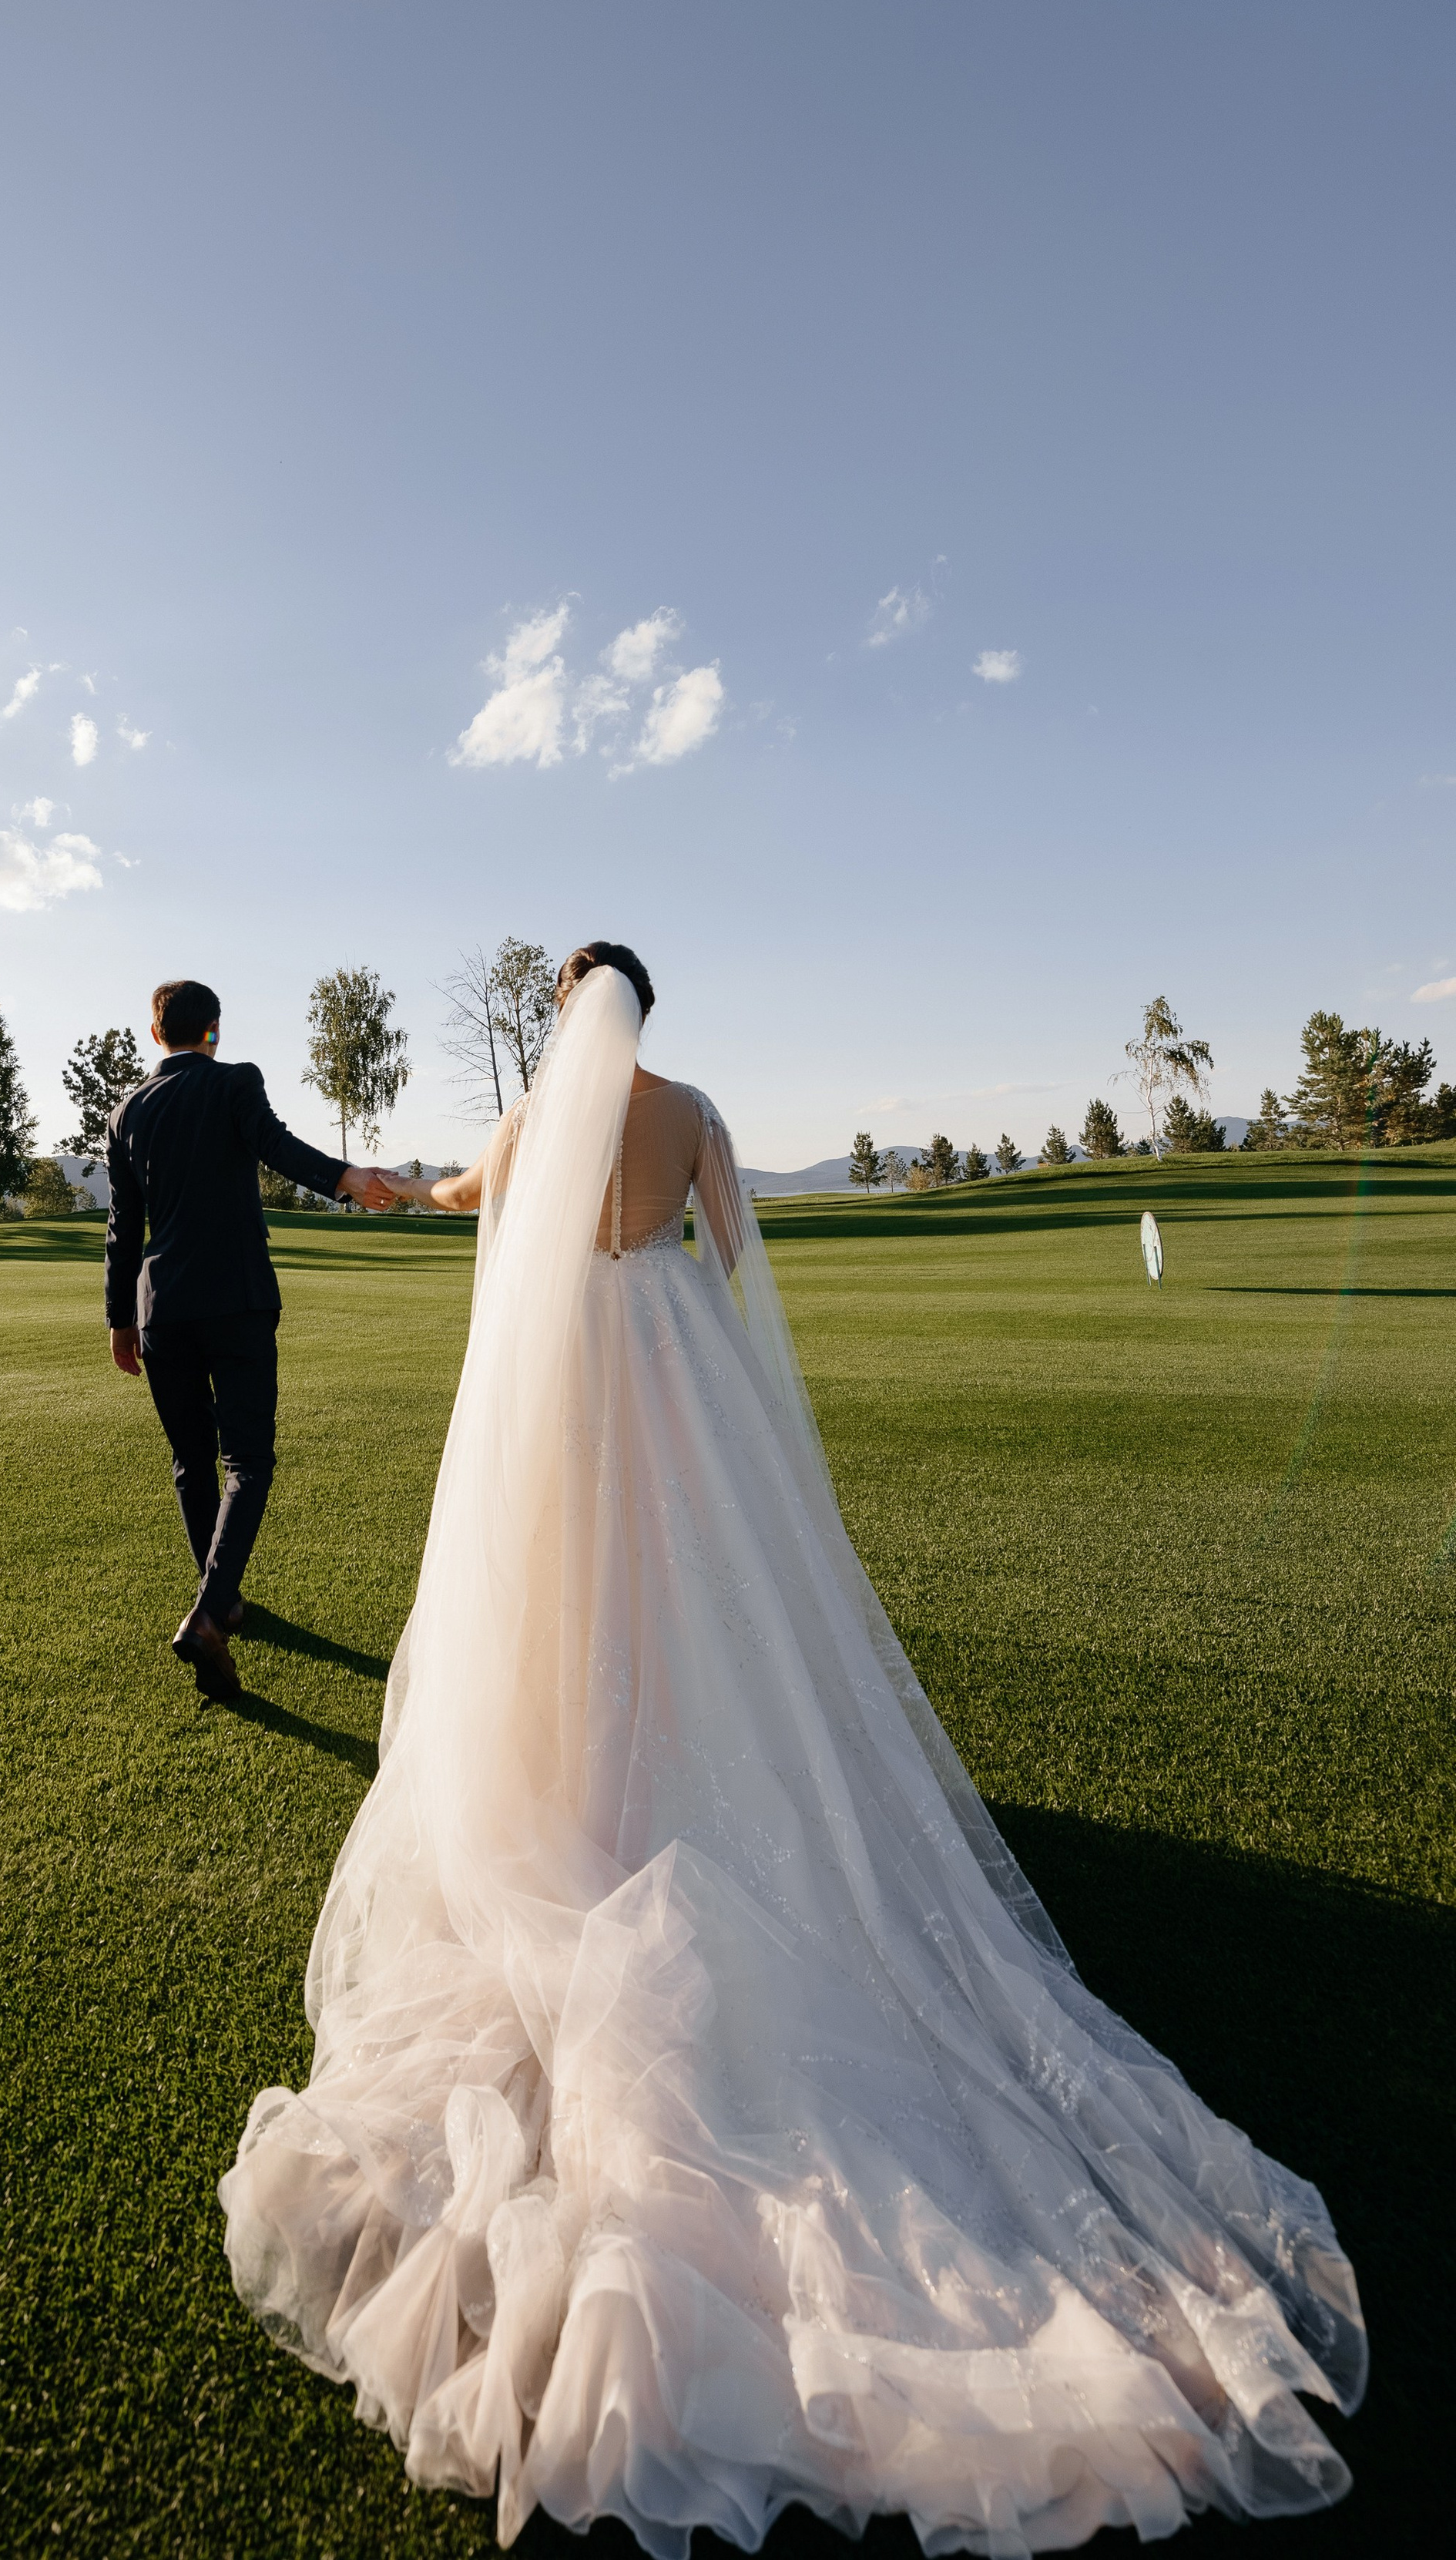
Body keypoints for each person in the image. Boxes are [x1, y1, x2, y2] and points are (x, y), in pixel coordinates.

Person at [220, 943, 1365, 2557]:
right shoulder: (685, 1111)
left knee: (561, 1607)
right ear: (644, 1012)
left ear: (564, 1008)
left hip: (564, 1393)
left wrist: (377, 1186)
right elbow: (737, 1261)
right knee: (705, 1612)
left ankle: (575, 1794)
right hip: (677, 1379)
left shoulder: (541, 1113)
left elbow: (455, 1212)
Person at [104, 976, 394, 1702]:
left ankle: (223, 1601)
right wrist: (346, 1177)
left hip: (160, 1311)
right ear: (216, 1030)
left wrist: (118, 1319)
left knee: (190, 1460)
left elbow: (123, 1229)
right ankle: (210, 1611)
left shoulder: (125, 1113)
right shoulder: (236, 1082)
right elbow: (277, 1147)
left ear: (155, 1034)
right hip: (234, 1301)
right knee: (248, 1461)